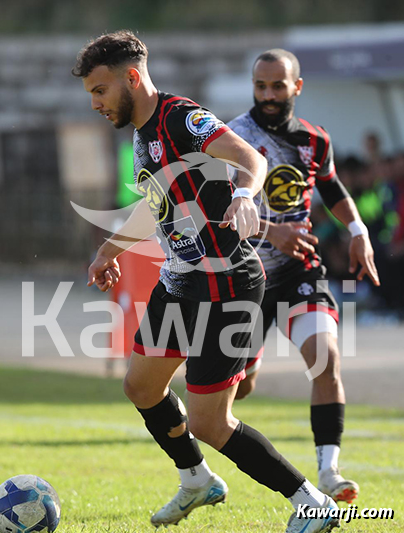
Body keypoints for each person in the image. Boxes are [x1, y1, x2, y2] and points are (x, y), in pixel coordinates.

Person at [72, 32, 340, 532]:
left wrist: (243, 194)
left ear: (132, 77)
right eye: (91, 93)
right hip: (179, 280)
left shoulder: (180, 118)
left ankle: (312, 502)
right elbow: (160, 208)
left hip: (226, 283)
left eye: (100, 90)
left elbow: (251, 158)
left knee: (210, 423)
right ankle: (196, 479)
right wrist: (107, 251)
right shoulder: (140, 129)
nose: (95, 103)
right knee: (141, 385)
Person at [228, 48, 380, 505]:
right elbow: (217, 203)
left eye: (278, 86)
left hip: (300, 271)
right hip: (246, 277)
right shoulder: (234, 136)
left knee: (326, 358)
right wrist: (273, 231)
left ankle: (329, 471)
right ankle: (203, 455)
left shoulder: (315, 140)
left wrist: (358, 230)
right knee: (241, 385)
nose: (268, 95)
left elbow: (332, 187)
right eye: (260, 86)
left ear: (297, 86)